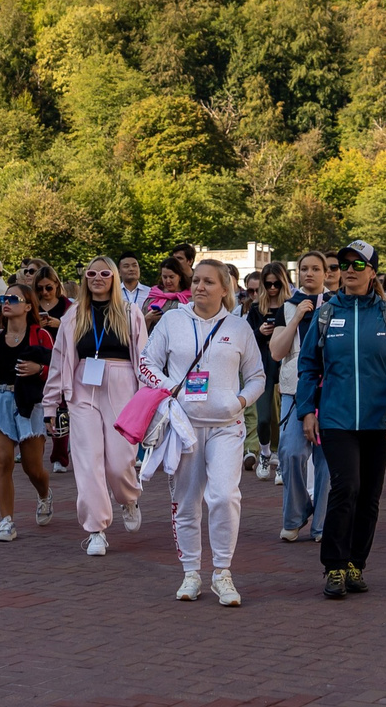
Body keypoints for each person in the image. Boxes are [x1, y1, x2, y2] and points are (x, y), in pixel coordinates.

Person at [141, 259, 264, 606]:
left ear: (225, 289)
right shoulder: (172, 320)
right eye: (196, 281)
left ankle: (222, 572)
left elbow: (257, 376)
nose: (200, 287)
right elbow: (146, 362)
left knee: (224, 496)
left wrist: (239, 401)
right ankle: (191, 572)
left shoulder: (238, 327)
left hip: (226, 427)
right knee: (186, 502)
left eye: (209, 282)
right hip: (183, 426)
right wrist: (170, 389)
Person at [298, 240, 386, 600]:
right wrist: (306, 411)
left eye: (358, 265)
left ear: (372, 272)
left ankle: (355, 564)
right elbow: (308, 366)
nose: (348, 270)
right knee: (345, 486)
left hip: (380, 421)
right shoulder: (326, 314)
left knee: (369, 494)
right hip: (336, 419)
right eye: (343, 264)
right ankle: (333, 565)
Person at [41, 257, 149, 556]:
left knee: (118, 461)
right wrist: (51, 405)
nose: (97, 278)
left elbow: (144, 359)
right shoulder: (73, 315)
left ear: (113, 277)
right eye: (91, 273)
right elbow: (58, 362)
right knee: (87, 461)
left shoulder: (130, 312)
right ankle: (96, 529)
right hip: (82, 388)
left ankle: (128, 497)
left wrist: (148, 400)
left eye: (104, 273)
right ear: (85, 278)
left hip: (121, 385)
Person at [0, 282, 56, 540]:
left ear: (29, 306)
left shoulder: (41, 336)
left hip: (30, 402)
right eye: (4, 298)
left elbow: (59, 370)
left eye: (14, 299)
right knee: (4, 461)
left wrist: (39, 370)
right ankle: (6, 521)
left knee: (33, 468)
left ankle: (44, 494)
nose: (7, 302)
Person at [272, 250, 330, 542]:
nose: (309, 273)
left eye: (315, 268)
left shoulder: (337, 303)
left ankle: (321, 523)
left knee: (327, 460)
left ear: (326, 273)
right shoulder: (286, 307)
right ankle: (296, 514)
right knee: (291, 452)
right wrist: (296, 317)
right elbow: (276, 352)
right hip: (295, 389)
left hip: (330, 389)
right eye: (304, 268)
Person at [244, 265, 288, 481]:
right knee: (263, 418)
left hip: (285, 365)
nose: (272, 288)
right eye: (268, 283)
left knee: (283, 418)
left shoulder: (291, 306)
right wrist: (259, 332)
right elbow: (246, 339)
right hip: (263, 366)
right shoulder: (256, 308)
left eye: (276, 283)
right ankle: (264, 453)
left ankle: (280, 458)